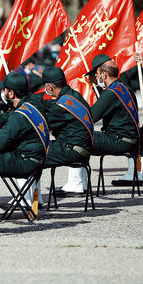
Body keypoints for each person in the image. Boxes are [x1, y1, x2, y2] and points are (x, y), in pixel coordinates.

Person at [0, 72, 48, 210]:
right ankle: (32, 198)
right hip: (37, 159)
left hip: (26, 163)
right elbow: (6, 119)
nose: (2, 92)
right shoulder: (31, 105)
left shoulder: (20, 116)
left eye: (4, 89)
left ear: (11, 93)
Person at [75, 54, 140, 187]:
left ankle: (76, 184)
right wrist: (95, 86)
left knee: (77, 137)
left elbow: (90, 117)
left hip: (119, 141)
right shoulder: (124, 87)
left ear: (104, 75)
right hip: (131, 140)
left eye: (96, 73)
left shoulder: (111, 93)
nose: (95, 77)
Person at [40, 67, 93, 196]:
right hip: (83, 148)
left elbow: (42, 124)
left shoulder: (62, 106)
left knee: (30, 153)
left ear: (50, 86)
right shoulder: (74, 95)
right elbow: (51, 105)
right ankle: (77, 183)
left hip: (73, 150)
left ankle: (29, 200)